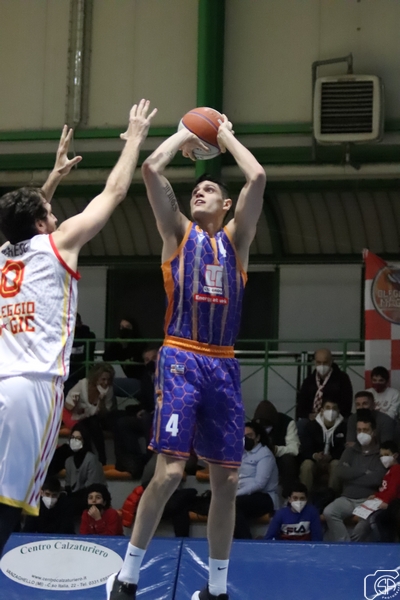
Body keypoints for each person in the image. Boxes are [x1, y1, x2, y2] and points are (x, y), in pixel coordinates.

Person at [107, 114, 266, 600]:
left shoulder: (237, 241)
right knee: (171, 473)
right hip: (181, 358)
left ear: (227, 205)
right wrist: (184, 132)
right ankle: (128, 577)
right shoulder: (177, 233)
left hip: (223, 363)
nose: (200, 191)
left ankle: (216, 589)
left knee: (228, 480)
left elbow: (257, 176)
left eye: (210, 189)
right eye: (196, 189)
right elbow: (152, 170)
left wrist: (224, 135)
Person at [0, 99, 156, 557]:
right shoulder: (60, 243)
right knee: (11, 500)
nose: (56, 217)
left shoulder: (3, 256)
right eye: (49, 213)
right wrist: (134, 140)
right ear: (41, 223)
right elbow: (114, 192)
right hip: (33, 388)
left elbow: (19, 225)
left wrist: (51, 179)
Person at [323, 410, 386, 542]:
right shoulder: (350, 451)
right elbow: (340, 472)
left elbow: (377, 479)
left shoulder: (380, 454)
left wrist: (351, 474)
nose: (362, 433)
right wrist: (364, 471)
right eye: (359, 430)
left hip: (367, 499)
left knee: (362, 526)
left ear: (373, 432)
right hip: (347, 498)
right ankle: (346, 545)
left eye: (366, 430)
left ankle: (353, 547)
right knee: (329, 512)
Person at [64, 362, 116, 464]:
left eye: (108, 379)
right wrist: (75, 404)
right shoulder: (82, 384)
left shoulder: (108, 389)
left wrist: (102, 401)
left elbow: (104, 414)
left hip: (97, 419)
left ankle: (99, 458)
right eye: (103, 379)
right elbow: (68, 406)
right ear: (96, 377)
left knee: (92, 422)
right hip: (79, 417)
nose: (106, 382)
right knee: (85, 427)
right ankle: (93, 459)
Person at [234, 421, 279, 539]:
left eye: (249, 435)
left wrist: (235, 494)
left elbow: (259, 484)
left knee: (233, 504)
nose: (246, 439)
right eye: (243, 436)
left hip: (264, 497)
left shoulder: (265, 454)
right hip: (243, 495)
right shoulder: (242, 453)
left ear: (258, 437)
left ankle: (245, 541)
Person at [350, 440, 400, 542]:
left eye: (386, 455)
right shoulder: (389, 471)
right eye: (381, 455)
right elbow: (385, 489)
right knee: (362, 518)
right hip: (381, 501)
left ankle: (380, 545)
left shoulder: (397, 469)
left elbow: (393, 490)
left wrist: (386, 502)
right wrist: (376, 495)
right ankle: (354, 543)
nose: (383, 458)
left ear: (395, 455)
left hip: (391, 504)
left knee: (373, 519)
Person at [253, 400, 300, 498]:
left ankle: (287, 495)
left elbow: (294, 449)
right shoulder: (253, 426)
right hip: (259, 458)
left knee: (288, 460)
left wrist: (275, 450)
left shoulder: (287, 423)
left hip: (280, 459)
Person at [300, 398, 346, 496]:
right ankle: (304, 496)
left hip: (332, 460)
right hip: (315, 460)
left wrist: (332, 456)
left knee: (336, 464)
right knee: (307, 465)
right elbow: (305, 447)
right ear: (321, 411)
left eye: (334, 408)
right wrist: (315, 455)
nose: (331, 411)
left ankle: (332, 496)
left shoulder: (343, 427)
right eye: (328, 408)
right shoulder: (311, 426)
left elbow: (344, 448)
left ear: (338, 412)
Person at [296, 349, 353, 428]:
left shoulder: (342, 379)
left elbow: (347, 404)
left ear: (331, 361)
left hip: (335, 417)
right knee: (301, 425)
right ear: (314, 362)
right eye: (319, 362)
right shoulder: (309, 381)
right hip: (313, 419)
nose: (322, 365)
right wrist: (309, 415)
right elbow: (301, 406)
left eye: (325, 362)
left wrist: (330, 414)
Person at [65, 422, 107, 516]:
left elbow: (92, 488)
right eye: (72, 438)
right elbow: (68, 485)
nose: (74, 441)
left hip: (92, 498)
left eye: (78, 438)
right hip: (75, 498)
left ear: (84, 440)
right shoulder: (69, 461)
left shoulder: (91, 459)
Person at [64, 313, 96, 395]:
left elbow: (84, 354)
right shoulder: (62, 335)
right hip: (67, 373)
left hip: (83, 372)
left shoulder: (89, 335)